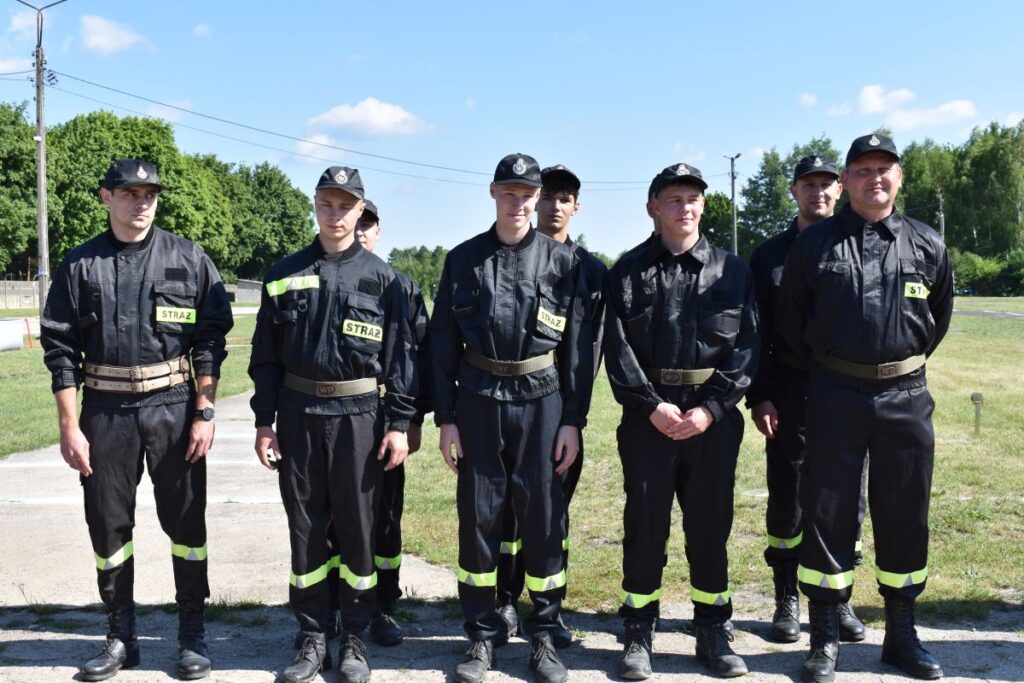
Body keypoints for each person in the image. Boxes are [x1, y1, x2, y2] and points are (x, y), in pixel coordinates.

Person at [41, 158, 233, 681]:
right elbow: (60, 350)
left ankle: (191, 634)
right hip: (105, 411)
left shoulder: (188, 258)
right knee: (108, 526)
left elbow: (210, 343)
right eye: (129, 193)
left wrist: (205, 412)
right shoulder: (80, 265)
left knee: (187, 524)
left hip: (173, 407)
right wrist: (68, 425)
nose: (140, 202)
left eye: (149, 193)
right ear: (105, 197)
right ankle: (120, 636)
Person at [777, 134, 953, 682]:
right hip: (833, 395)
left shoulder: (927, 244)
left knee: (905, 514)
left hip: (905, 396)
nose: (874, 178)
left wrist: (894, 364)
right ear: (847, 180)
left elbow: (938, 320)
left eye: (884, 168)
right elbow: (790, 325)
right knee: (827, 516)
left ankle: (902, 636)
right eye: (862, 169)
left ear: (900, 177)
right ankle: (824, 640)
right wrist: (837, 371)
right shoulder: (812, 247)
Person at [249, 166, 417, 683]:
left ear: (361, 210)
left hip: (360, 420)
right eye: (327, 202)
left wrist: (399, 424)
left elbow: (403, 361)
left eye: (346, 205)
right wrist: (263, 422)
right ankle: (312, 634)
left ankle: (356, 638)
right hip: (299, 417)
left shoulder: (388, 282)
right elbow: (265, 358)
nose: (336, 213)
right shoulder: (283, 274)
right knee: (306, 529)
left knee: (358, 527)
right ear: (315, 204)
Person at [431, 153, 593, 683]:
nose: (519, 202)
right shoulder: (463, 260)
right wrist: (446, 418)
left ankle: (544, 635)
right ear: (493, 193)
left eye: (528, 193)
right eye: (510, 192)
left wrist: (573, 419)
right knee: (478, 518)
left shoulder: (563, 263)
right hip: (478, 397)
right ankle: (481, 637)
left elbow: (577, 350)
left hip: (542, 399)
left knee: (544, 518)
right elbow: (441, 345)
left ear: (538, 197)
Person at [604, 163, 758, 679]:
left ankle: (713, 629)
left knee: (710, 526)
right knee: (644, 525)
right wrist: (651, 406)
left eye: (693, 198)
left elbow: (747, 348)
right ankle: (638, 631)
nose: (685, 207)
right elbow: (618, 351)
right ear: (653, 206)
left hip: (711, 422)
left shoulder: (732, 271)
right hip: (649, 419)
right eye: (674, 199)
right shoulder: (625, 272)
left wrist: (711, 409)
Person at [746, 156, 866, 644]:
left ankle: (840, 599)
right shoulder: (768, 256)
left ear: (838, 190)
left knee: (846, 498)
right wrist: (761, 395)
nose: (818, 192)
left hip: (848, 389)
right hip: (791, 390)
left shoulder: (859, 242)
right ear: (793, 191)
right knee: (789, 493)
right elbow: (755, 334)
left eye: (825, 184)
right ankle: (785, 597)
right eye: (807, 185)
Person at [494, 164, 605, 649]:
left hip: (557, 410)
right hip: (506, 407)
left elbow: (590, 350)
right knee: (502, 514)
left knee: (551, 513)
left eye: (566, 197)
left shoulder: (587, 269)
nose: (555, 205)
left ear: (576, 206)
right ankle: (502, 599)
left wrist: (572, 415)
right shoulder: (505, 257)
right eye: (549, 196)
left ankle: (549, 609)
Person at [354, 199, 432, 646]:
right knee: (333, 519)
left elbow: (418, 356)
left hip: (386, 418)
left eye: (369, 224)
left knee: (385, 517)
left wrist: (413, 419)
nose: (361, 231)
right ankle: (334, 605)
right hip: (336, 418)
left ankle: (384, 606)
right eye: (357, 223)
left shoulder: (399, 286)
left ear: (379, 230)